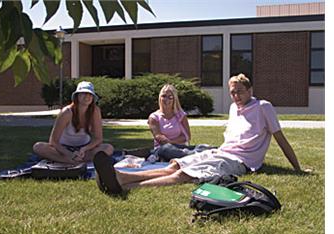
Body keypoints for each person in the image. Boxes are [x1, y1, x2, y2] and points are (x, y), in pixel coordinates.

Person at [93, 73, 301, 195]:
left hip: (239, 161)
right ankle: (120, 176)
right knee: (176, 164)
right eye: (232, 92)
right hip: (221, 152)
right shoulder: (233, 108)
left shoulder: (263, 107)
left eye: (240, 91)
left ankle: (124, 186)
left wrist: (298, 169)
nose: (236, 96)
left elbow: (280, 139)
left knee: (183, 175)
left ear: (250, 89)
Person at [33, 81, 113, 164]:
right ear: (77, 96)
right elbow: (53, 141)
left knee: (108, 148)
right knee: (38, 147)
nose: (87, 97)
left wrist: (84, 149)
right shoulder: (67, 112)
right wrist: (70, 154)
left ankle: (74, 160)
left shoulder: (95, 111)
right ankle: (71, 161)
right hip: (63, 149)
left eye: (90, 94)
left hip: (84, 149)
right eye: (83, 93)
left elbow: (98, 138)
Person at [146, 84, 192, 162]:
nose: (166, 99)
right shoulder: (154, 117)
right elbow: (159, 138)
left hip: (180, 148)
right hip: (162, 149)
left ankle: (192, 154)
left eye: (170, 97)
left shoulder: (181, 115)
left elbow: (187, 136)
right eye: (164, 96)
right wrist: (172, 143)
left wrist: (172, 143)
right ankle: (192, 156)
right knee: (167, 149)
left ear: (174, 99)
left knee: (201, 147)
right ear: (160, 98)